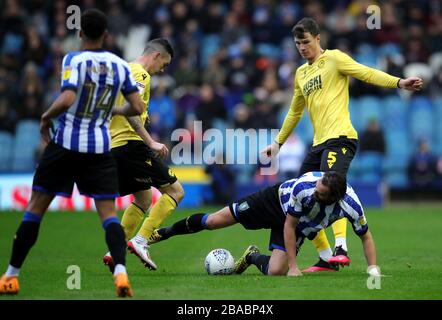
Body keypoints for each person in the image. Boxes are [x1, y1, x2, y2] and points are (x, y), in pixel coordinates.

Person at [0, 9, 145, 297]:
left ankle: (11, 277)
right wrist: (111, 110)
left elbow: (67, 98)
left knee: (35, 209)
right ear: (106, 35)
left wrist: (46, 116)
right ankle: (120, 273)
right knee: (108, 215)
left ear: (80, 34)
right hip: (100, 148)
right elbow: (138, 107)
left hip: (65, 144)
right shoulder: (119, 65)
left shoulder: (73, 59)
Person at [261, 17, 423, 272]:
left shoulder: (335, 58)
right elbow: (294, 112)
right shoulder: (301, 73)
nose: (302, 47)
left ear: (317, 38)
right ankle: (326, 256)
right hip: (317, 143)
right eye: (297, 43)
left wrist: (398, 83)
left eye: (305, 42)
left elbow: (366, 72)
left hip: (342, 137)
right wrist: (278, 143)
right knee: (304, 196)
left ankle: (340, 247)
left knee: (331, 181)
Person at [147, 171, 381, 277]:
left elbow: (366, 236)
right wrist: (294, 267)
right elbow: (289, 224)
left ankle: (251, 257)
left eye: (321, 194)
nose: (316, 193)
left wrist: (372, 269)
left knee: (275, 271)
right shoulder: (305, 189)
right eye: (317, 187)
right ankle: (164, 232)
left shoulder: (351, 206)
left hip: (295, 222)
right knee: (214, 221)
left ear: (334, 198)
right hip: (272, 201)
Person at [102, 38, 185, 272]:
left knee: (143, 199)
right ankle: (140, 241)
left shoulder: (123, 70)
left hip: (116, 146)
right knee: (176, 191)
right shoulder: (140, 75)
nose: (163, 69)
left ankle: (115, 250)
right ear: (157, 55)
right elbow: (131, 111)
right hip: (132, 144)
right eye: (165, 64)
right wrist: (150, 142)